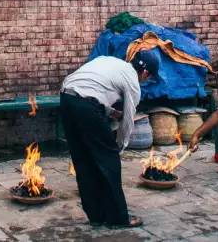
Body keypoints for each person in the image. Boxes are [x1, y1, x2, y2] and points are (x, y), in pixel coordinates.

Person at [60, 50, 160, 229]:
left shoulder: (109, 61)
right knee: (109, 162)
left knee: (83, 161)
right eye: (149, 77)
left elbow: (91, 90)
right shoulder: (132, 81)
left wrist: (111, 112)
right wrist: (119, 147)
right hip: (85, 106)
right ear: (145, 73)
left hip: (66, 98)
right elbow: (128, 121)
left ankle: (96, 215)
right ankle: (118, 218)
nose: (146, 80)